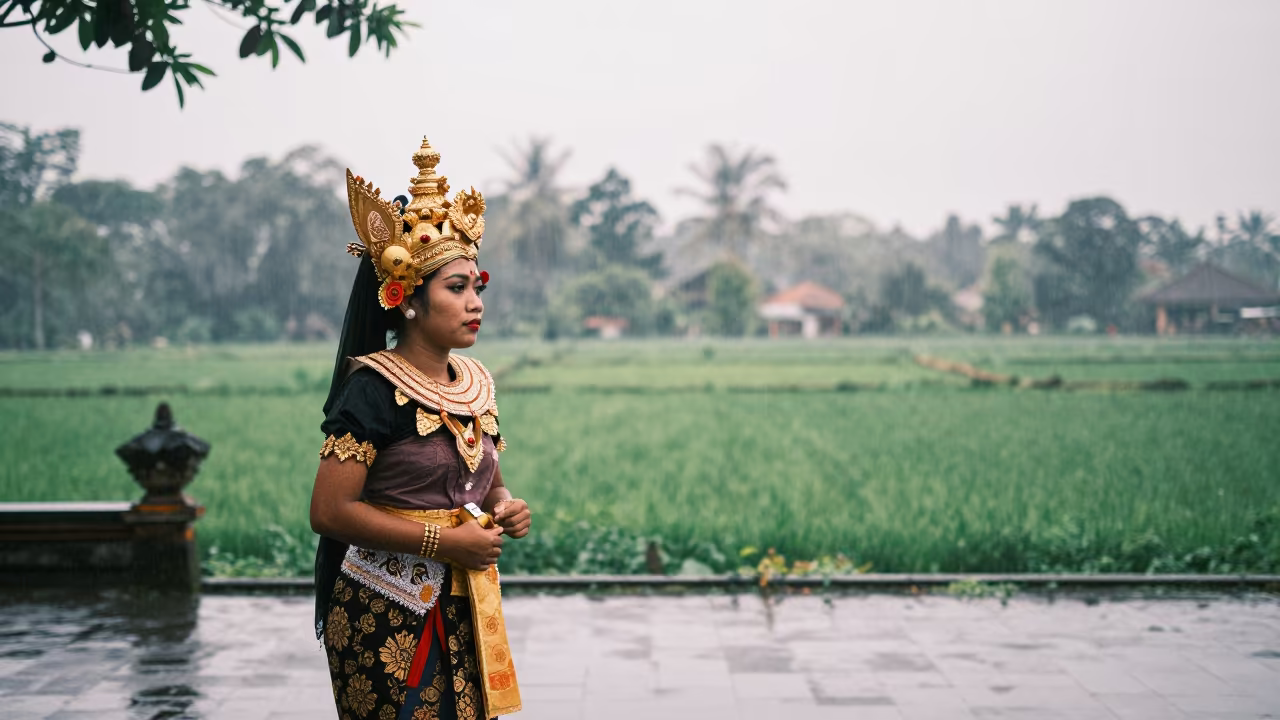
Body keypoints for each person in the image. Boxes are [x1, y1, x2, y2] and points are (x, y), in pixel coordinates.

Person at [310, 137, 529, 720]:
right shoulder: (372, 387)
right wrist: (444, 542)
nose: (475, 303)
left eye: (477, 286)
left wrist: (506, 507)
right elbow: (329, 512)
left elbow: (488, 484)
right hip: (384, 616)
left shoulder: (476, 382)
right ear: (407, 299)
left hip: (464, 604)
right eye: (456, 288)